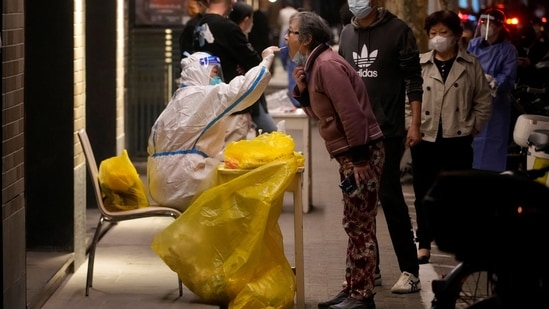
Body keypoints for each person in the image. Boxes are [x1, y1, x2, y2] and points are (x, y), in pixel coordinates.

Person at [287, 10, 385, 309]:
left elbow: (351, 114)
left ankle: (362, 296)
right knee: (353, 223)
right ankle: (353, 287)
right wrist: (303, 90)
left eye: (290, 33)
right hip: (351, 156)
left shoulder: (327, 65)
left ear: (306, 39)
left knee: (360, 226)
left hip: (361, 154)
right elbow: (322, 114)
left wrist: (358, 160)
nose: (286, 38)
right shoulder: (316, 63)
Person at [337, 0, 422, 294]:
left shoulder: (398, 31)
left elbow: (414, 79)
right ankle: (369, 268)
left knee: (389, 195)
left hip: (388, 130)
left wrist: (415, 123)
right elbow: (342, 79)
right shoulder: (346, 33)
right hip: (355, 132)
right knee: (361, 201)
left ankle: (410, 271)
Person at [147, 47, 279, 212]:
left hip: (159, 186)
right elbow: (245, 88)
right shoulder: (202, 95)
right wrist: (266, 60)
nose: (217, 78)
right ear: (200, 72)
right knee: (244, 193)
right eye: (213, 73)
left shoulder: (176, 100)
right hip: (185, 184)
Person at [410, 10, 492, 265]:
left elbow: (483, 100)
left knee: (459, 194)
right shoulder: (420, 63)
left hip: (458, 138)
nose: (437, 38)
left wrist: (473, 127)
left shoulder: (471, 65)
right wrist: (410, 126)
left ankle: (461, 244)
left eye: (443, 33)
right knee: (423, 192)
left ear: (457, 36)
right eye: (433, 33)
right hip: (426, 137)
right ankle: (423, 242)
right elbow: (408, 99)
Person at [194, 0, 276, 141]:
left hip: (209, 105)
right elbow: (254, 62)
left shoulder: (200, 26)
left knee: (212, 157)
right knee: (231, 159)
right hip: (233, 105)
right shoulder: (228, 28)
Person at [467, 8, 518, 172]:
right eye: (483, 22)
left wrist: (495, 82)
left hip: (496, 105)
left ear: (499, 26)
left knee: (493, 142)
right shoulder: (473, 45)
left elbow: (508, 77)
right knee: (471, 141)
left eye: (490, 23)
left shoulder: (508, 50)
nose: (485, 26)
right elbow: (466, 66)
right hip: (473, 100)